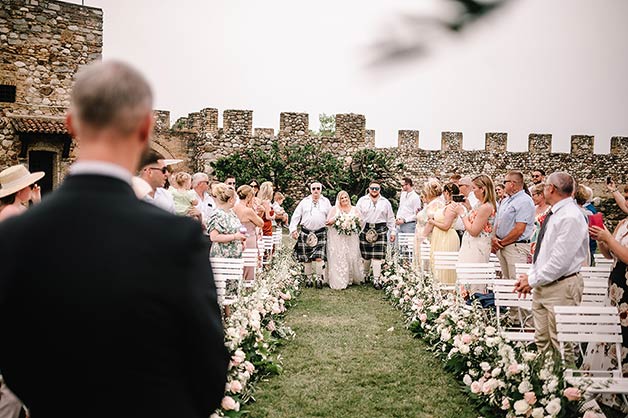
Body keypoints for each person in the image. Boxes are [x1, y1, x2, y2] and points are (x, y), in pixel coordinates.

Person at [0, 60, 228, 418]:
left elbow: (13, 360)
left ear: (72, 125)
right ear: (145, 128)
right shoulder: (176, 237)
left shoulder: (15, 236)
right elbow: (209, 370)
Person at [514, 172, 588, 362]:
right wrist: (530, 276)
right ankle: (546, 384)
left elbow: (560, 262)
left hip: (562, 286)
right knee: (542, 340)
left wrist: (531, 280)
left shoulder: (571, 216)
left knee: (562, 344)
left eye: (545, 185)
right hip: (545, 284)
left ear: (551, 189)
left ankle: (565, 387)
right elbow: (545, 253)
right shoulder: (556, 212)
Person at [0, 165, 43, 418]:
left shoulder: (7, 212)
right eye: (28, 185)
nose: (32, 188)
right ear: (20, 189)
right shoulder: (15, 214)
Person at [588, 210, 628, 411]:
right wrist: (602, 241)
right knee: (610, 336)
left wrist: (609, 239)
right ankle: (606, 387)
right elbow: (609, 254)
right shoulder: (622, 223)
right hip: (616, 286)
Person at [455, 174, 497, 296]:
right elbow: (474, 220)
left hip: (477, 247)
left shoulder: (486, 207)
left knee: (473, 278)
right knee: (464, 276)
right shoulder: (479, 204)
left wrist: (462, 214)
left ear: (482, 189)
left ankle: (473, 304)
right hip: (470, 246)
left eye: (474, 188)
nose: (472, 191)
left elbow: (474, 231)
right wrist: (468, 208)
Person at [492, 170, 535, 280]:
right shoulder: (506, 200)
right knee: (506, 280)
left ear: (512, 184)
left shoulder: (524, 201)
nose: (504, 184)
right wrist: (494, 238)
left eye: (505, 182)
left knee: (515, 281)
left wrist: (501, 243)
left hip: (516, 246)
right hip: (503, 245)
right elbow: (498, 221)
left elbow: (519, 229)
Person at [289, 182, 332, 288]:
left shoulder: (325, 202)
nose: (316, 190)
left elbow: (331, 215)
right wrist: (293, 229)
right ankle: (308, 279)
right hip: (306, 232)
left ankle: (318, 279)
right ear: (310, 190)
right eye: (314, 188)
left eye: (318, 188)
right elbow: (296, 216)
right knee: (306, 258)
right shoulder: (304, 202)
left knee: (319, 258)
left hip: (320, 232)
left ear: (321, 189)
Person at [356, 181, 396, 289]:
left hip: (381, 229)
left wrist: (392, 231)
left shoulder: (385, 202)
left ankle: (376, 279)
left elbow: (391, 218)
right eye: (372, 188)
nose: (374, 190)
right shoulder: (362, 200)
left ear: (380, 190)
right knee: (366, 255)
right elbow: (357, 215)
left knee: (377, 256)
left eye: (376, 189)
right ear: (369, 189)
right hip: (366, 228)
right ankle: (365, 275)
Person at [424, 182, 461, 286]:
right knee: (437, 263)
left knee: (444, 265)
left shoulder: (452, 207)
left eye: (444, 193)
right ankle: (437, 287)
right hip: (439, 237)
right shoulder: (447, 205)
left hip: (447, 237)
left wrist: (432, 222)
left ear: (446, 192)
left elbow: (446, 226)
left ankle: (446, 289)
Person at [325, 190, 364, 289]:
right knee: (340, 257)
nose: (344, 199)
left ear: (348, 198)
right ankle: (340, 280)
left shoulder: (354, 209)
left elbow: (361, 222)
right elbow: (328, 222)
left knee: (352, 256)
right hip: (338, 239)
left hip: (351, 237)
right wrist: (338, 219)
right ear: (339, 200)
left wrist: (352, 224)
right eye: (342, 198)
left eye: (346, 197)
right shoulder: (334, 209)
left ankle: (352, 278)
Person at [234, 185, 264, 282]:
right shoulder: (248, 210)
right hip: (249, 239)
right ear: (249, 196)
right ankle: (248, 285)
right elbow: (261, 223)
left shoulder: (233, 208)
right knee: (249, 265)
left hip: (237, 239)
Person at [413, 179, 445, 269]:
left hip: (426, 238)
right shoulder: (432, 203)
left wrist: (422, 237)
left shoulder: (436, 204)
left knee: (425, 264)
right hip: (421, 235)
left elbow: (431, 222)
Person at [208, 183, 246, 258]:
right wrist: (234, 237)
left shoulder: (231, 213)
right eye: (235, 198)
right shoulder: (217, 215)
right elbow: (214, 237)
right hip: (222, 256)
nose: (236, 200)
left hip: (234, 255)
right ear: (231, 200)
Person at [138, 149, 175, 213]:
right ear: (149, 171)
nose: (167, 174)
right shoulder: (129, 195)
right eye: (163, 170)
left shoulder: (167, 195)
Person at [530, 183, 551, 256]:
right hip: (531, 242)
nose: (532, 197)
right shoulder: (533, 209)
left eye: (533, 195)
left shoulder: (550, 210)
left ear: (541, 195)